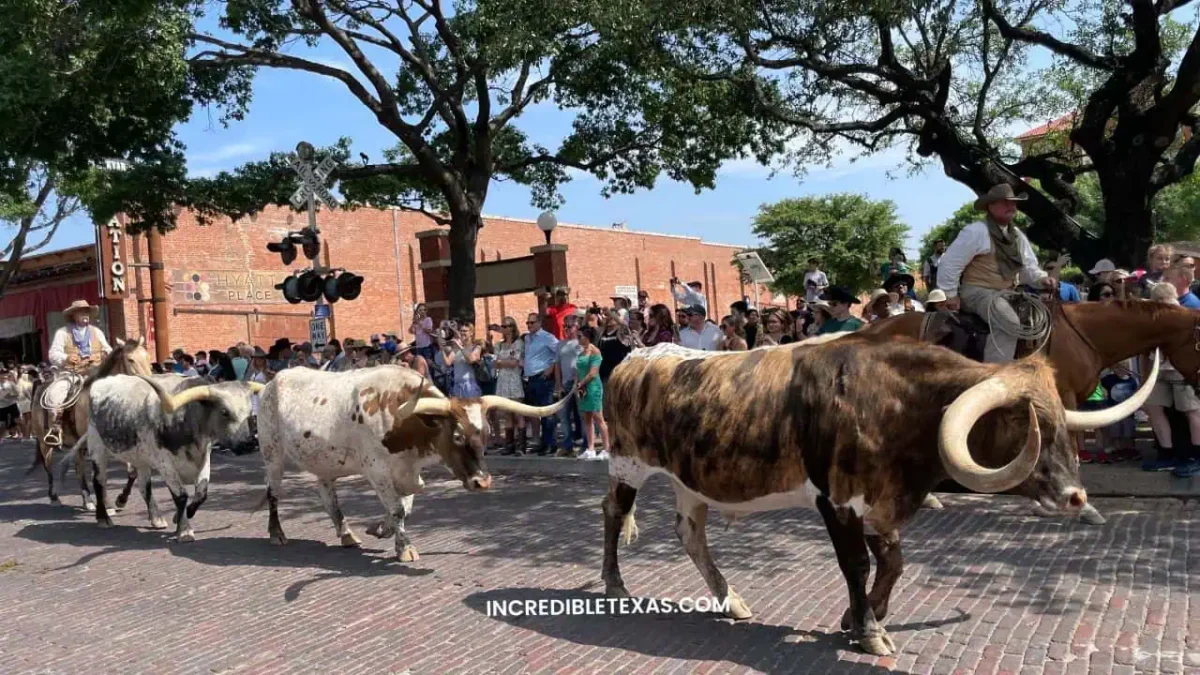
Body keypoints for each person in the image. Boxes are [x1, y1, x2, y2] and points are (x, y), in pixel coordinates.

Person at [936, 183, 1054, 363]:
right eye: (1005, 202)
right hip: (976, 292)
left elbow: (1029, 268)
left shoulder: (1017, 236)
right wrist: (950, 295)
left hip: (1007, 293)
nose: (1011, 206)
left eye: (1013, 203)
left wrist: (1043, 280)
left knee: (1043, 317)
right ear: (990, 206)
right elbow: (949, 263)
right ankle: (994, 375)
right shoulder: (976, 231)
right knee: (1009, 323)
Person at [522, 313, 560, 454]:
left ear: (539, 323)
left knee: (546, 412)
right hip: (531, 379)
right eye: (528, 323)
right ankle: (543, 443)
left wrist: (551, 367)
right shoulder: (527, 338)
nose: (529, 325)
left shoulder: (547, 337)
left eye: (532, 323)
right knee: (535, 413)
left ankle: (550, 443)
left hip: (543, 378)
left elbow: (559, 351)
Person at [574, 326, 610, 460]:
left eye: (580, 336)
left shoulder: (595, 352)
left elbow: (593, 373)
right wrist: (577, 385)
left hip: (593, 387)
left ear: (587, 337)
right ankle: (590, 448)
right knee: (587, 418)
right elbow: (578, 370)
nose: (578, 338)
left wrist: (581, 384)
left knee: (598, 418)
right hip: (582, 387)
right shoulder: (582, 352)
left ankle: (607, 449)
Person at [492, 317, 527, 454]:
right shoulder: (499, 345)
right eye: (503, 326)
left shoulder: (518, 343)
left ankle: (521, 445)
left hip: (514, 380)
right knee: (507, 414)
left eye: (507, 326)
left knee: (518, 412)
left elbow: (515, 362)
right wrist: (504, 362)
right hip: (503, 380)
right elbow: (495, 363)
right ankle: (509, 444)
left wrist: (503, 362)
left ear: (513, 327)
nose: (504, 328)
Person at [553, 316, 585, 457]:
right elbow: (557, 366)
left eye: (570, 326)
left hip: (580, 383)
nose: (566, 329)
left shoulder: (582, 343)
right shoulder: (560, 344)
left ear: (577, 327)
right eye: (564, 326)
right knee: (564, 417)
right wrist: (558, 384)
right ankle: (567, 445)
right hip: (565, 384)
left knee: (582, 415)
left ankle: (585, 444)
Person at [597, 310, 635, 384]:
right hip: (603, 374)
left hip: (618, 375)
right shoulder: (602, 333)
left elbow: (625, 325)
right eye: (608, 316)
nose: (610, 318)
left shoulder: (620, 332)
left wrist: (610, 313)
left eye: (613, 316)